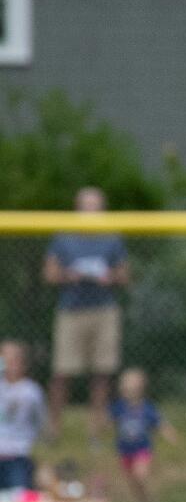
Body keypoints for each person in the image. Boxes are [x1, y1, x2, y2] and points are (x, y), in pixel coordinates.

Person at [44, 186, 130, 440]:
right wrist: (68, 275)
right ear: (77, 208)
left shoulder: (111, 238)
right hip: (71, 310)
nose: (91, 210)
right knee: (62, 373)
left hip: (103, 309)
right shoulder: (64, 236)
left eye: (96, 206)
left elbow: (124, 275)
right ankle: (53, 428)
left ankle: (95, 431)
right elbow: (49, 273)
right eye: (87, 205)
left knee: (101, 374)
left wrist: (109, 277)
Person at [108, 367, 174, 502]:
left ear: (140, 388)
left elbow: (159, 423)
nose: (127, 388)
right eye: (125, 384)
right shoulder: (119, 407)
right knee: (132, 481)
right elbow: (109, 421)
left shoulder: (146, 408)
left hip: (142, 450)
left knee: (140, 475)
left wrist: (169, 433)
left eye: (131, 385)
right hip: (125, 451)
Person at [0, 341, 48, 493]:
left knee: (18, 496)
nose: (9, 365)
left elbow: (40, 422)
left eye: (13, 360)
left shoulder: (31, 391)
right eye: (4, 359)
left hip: (18, 455)